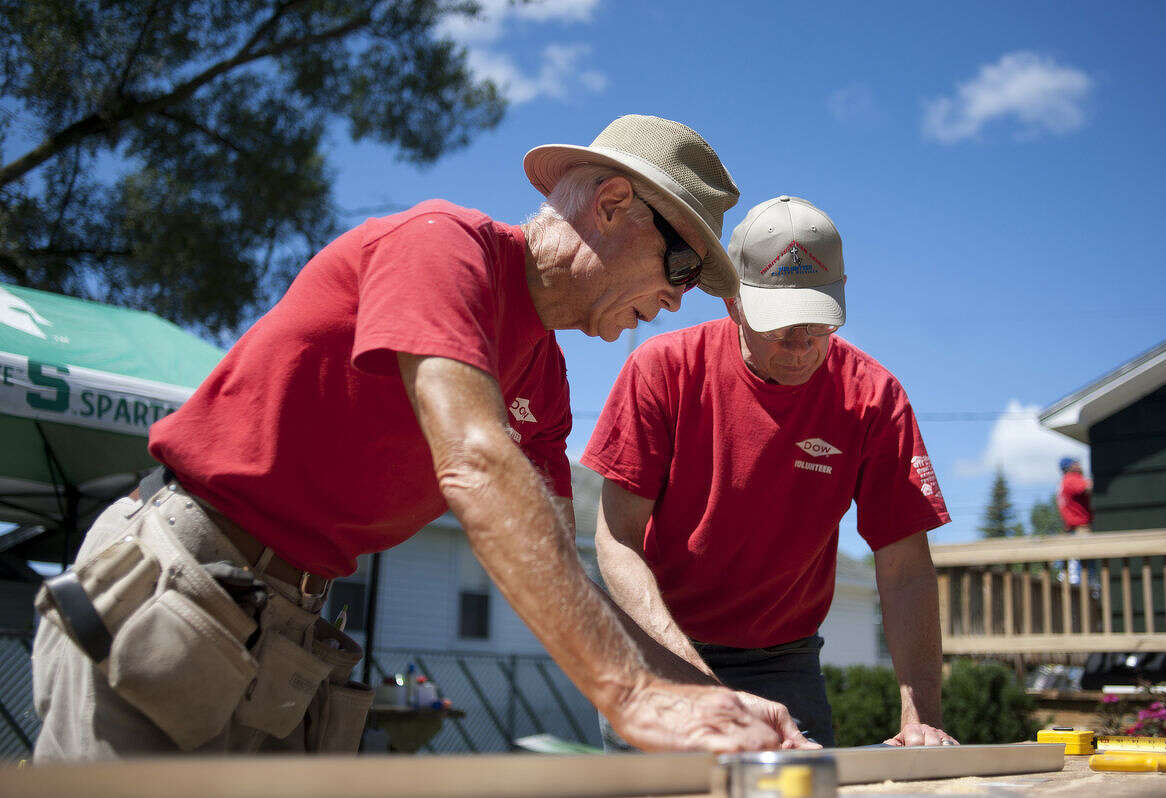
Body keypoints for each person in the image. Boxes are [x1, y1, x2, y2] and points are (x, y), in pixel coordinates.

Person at [30, 115, 807, 760]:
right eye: (680, 263)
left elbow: (549, 563)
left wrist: (707, 704)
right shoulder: (443, 247)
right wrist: (631, 696)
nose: (676, 300)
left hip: (287, 623)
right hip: (181, 574)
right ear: (611, 205)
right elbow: (473, 460)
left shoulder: (545, 378)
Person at [583, 195, 958, 749]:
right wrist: (707, 693)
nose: (802, 345)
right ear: (732, 300)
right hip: (659, 648)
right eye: (781, 326)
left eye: (818, 324)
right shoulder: (663, 370)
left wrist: (920, 720)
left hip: (784, 661)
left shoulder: (873, 398)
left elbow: (904, 569)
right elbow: (616, 540)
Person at [1056, 457, 1093, 533]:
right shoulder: (1072, 479)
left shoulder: (1064, 481)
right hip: (1081, 527)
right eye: (1076, 464)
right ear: (1070, 467)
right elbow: (1088, 487)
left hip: (1072, 528)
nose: (1079, 466)